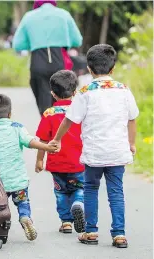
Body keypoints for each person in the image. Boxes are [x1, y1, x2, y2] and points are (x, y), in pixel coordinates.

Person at [50, 44, 139, 248]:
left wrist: (57, 139)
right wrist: (131, 143)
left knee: (90, 189)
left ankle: (91, 232)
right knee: (116, 192)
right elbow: (132, 119)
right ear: (113, 68)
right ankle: (119, 234)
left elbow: (69, 120)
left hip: (94, 153)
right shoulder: (123, 90)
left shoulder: (85, 91)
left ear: (89, 69)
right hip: (117, 151)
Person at [0, 93, 58, 241]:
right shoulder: (17, 128)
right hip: (18, 181)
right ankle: (25, 217)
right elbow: (30, 142)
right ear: (10, 114)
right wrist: (46, 147)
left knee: (0, 207)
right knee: (22, 202)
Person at [35, 70, 85, 234]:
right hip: (79, 162)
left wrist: (39, 160)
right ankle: (78, 203)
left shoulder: (49, 113)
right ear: (75, 92)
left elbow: (42, 139)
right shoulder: (81, 112)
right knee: (80, 188)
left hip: (56, 163)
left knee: (61, 192)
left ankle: (66, 222)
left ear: (53, 94)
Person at [12, 0, 82, 116]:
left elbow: (17, 44)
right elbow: (77, 40)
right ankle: (61, 129)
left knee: (43, 103)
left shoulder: (29, 17)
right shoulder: (64, 14)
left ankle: (46, 128)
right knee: (62, 100)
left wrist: (34, 43)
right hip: (59, 60)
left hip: (38, 60)